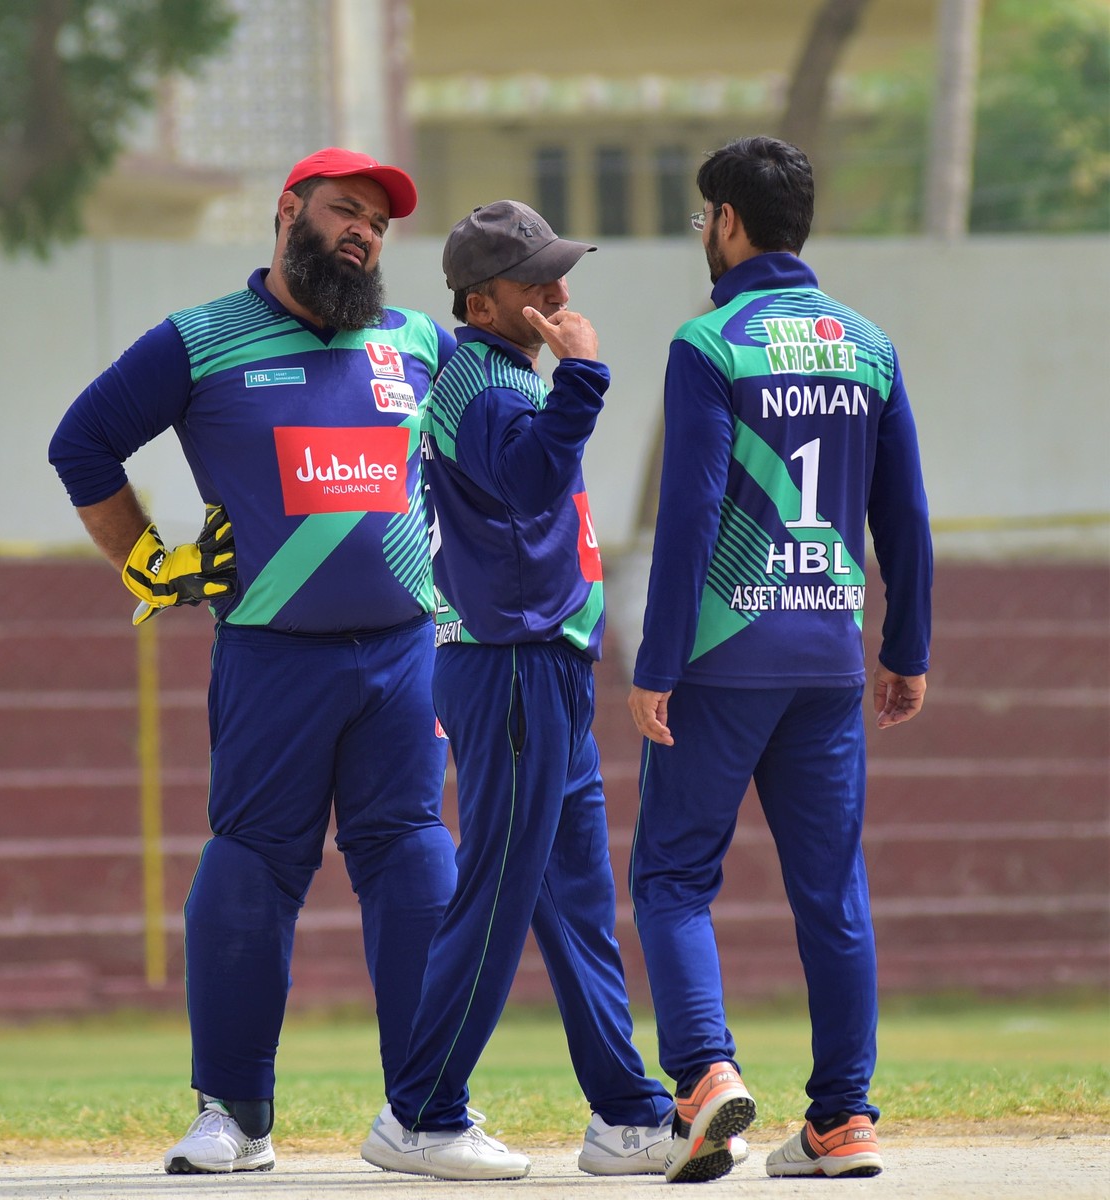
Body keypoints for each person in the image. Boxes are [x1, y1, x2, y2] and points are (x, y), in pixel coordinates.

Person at [48, 147, 459, 1174]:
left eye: (379, 223)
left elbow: (493, 454)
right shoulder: (199, 339)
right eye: (345, 210)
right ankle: (233, 1115)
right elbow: (82, 444)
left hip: (406, 656)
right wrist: (150, 561)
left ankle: (429, 1114)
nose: (363, 233)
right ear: (288, 212)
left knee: (416, 861)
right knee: (246, 870)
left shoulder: (418, 341)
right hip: (273, 657)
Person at [626, 135, 932, 1183]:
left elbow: (690, 513)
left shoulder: (709, 343)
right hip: (829, 657)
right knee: (832, 892)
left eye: (703, 217)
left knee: (671, 876)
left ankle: (705, 1075)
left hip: (721, 655)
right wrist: (906, 646)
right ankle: (842, 1121)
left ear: (727, 221)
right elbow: (904, 515)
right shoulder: (868, 346)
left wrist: (656, 661)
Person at [361, 200, 685, 1182]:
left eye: (559, 269)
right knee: (498, 893)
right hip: (511, 666)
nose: (558, 289)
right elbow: (533, 480)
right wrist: (584, 374)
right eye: (534, 277)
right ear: (480, 302)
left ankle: (626, 1116)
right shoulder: (484, 385)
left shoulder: (501, 377)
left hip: (542, 664)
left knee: (575, 901)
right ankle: (420, 1114)